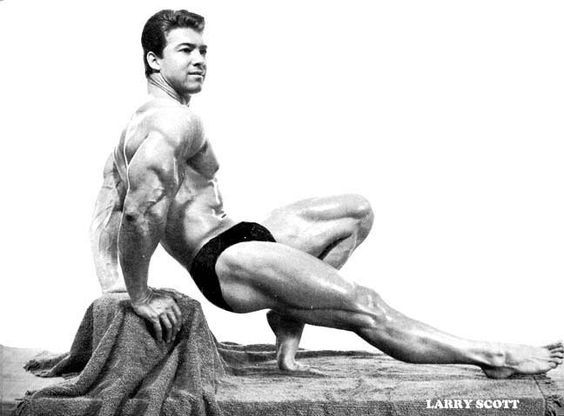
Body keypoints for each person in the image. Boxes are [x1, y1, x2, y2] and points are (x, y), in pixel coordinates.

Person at [90, 9, 563, 378]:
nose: (200, 60)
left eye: (203, 50)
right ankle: (493, 355)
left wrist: (110, 281)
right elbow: (137, 212)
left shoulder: (143, 124)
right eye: (186, 50)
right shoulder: (172, 122)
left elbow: (106, 204)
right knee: (366, 307)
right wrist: (138, 295)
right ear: (154, 60)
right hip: (224, 262)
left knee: (356, 212)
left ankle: (287, 313)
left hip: (242, 234)